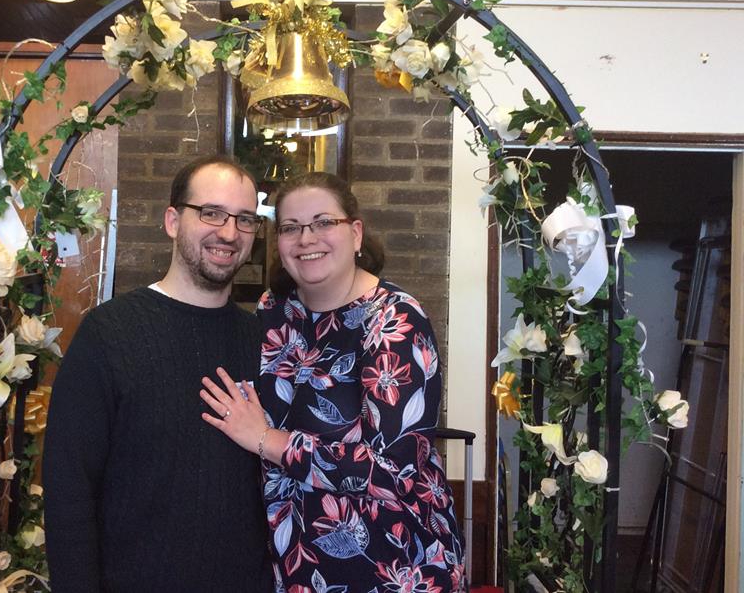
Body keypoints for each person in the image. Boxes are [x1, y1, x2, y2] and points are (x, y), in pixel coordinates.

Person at [201, 171, 466, 593]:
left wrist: (266, 440)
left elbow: (393, 470)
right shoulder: (274, 311)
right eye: (291, 227)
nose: (307, 238)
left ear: (356, 233)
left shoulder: (395, 319)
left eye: (324, 222)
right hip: (295, 562)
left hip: (395, 563)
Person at [43, 155, 273, 592]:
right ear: (172, 221)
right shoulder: (109, 334)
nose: (229, 233)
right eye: (211, 213)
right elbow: (69, 488)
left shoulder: (263, 341)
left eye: (245, 219)